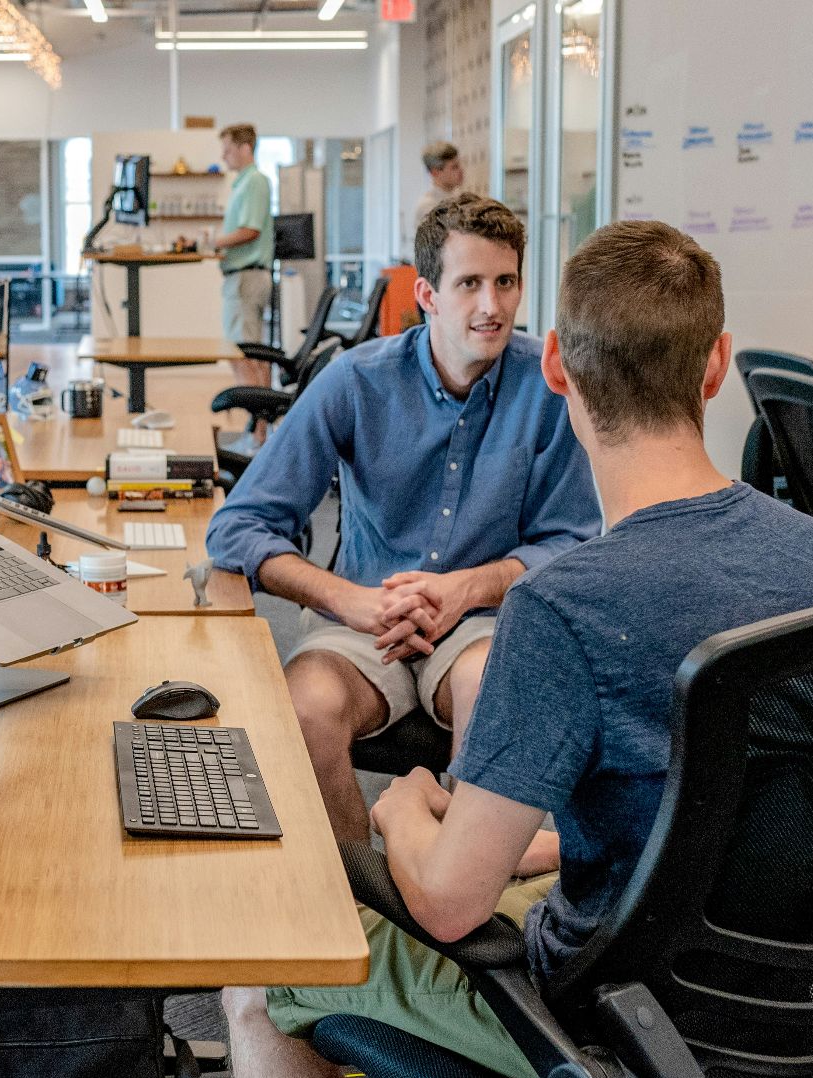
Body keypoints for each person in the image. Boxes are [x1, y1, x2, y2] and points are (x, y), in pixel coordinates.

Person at [223, 220, 813, 1078]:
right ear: (718, 365)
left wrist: (404, 811)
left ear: (557, 364)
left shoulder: (561, 608)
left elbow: (452, 906)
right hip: (802, 1009)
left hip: (606, 1020)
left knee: (260, 970)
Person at [205, 193, 600, 844]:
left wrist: (466, 589)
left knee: (496, 699)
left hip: (482, 622)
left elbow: (574, 543)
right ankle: (365, 900)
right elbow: (238, 526)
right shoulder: (356, 382)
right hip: (363, 619)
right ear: (427, 293)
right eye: (469, 283)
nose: (491, 306)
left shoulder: (550, 387)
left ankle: (457, 896)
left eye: (506, 283)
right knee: (305, 710)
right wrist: (348, 600)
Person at [218, 122, 275, 387]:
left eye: (228, 149)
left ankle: (258, 426)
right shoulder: (243, 184)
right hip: (242, 276)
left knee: (243, 355)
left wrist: (215, 242)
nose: (223, 155)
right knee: (247, 353)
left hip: (247, 277)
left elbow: (250, 230)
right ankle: (259, 424)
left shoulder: (254, 181)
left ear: (245, 148)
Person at [410, 141, 466, 248]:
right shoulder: (427, 206)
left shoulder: (461, 197)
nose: (461, 170)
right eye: (454, 167)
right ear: (435, 172)